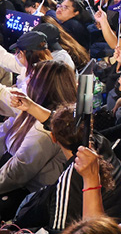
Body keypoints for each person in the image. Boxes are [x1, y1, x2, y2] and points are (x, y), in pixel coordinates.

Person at [11, 104, 121, 233]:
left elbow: (60, 230)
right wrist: (30, 106)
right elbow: (67, 126)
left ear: (53, 138)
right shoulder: (100, 141)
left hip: (97, 227)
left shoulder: (70, 178)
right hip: (115, 219)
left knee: (27, 201)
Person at [0, 61, 77, 215]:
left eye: (32, 78)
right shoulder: (47, 110)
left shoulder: (44, 130)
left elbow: (16, 174)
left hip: (28, 197)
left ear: (43, 87)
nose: (26, 80)